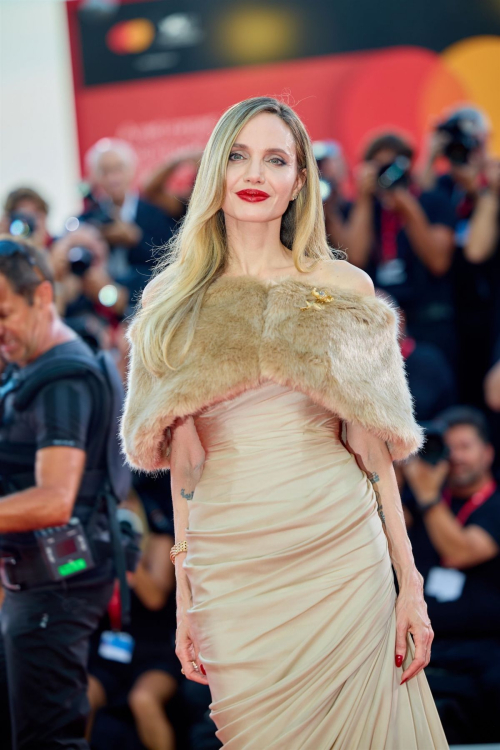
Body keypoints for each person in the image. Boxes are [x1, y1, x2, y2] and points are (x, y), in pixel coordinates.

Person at [120, 97, 449, 748]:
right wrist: (187, 599)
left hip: (341, 561)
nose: (255, 173)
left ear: (300, 183)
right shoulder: (167, 305)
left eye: (276, 160)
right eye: (238, 155)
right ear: (214, 169)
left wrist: (409, 584)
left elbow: (373, 451)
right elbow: (184, 471)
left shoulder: (345, 287)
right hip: (235, 576)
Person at [0, 235, 127, 749]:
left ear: (43, 297)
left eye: (4, 311)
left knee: (47, 740)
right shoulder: (29, 368)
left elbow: (54, 498)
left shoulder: (64, 379)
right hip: (34, 585)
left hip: (58, 586)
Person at [401, 406, 500, 743]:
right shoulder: (420, 500)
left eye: (465, 446)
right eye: (447, 446)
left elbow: (460, 552)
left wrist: (428, 496)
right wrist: (398, 471)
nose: (455, 456)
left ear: (488, 453)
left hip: (485, 649)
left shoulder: (495, 504)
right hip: (429, 644)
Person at [346, 133, 457, 369]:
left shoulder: (433, 201)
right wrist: (364, 199)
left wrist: (405, 202)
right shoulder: (366, 210)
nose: (387, 175)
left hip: (428, 321)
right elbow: (355, 257)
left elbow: (438, 262)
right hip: (378, 328)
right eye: (379, 168)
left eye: (394, 166)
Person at [82, 138, 176, 300]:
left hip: (148, 296)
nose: (112, 178)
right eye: (104, 171)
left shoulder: (155, 213)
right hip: (100, 300)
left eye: (118, 169)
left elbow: (169, 260)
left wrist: (136, 239)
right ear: (95, 177)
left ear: (131, 171)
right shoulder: (88, 219)